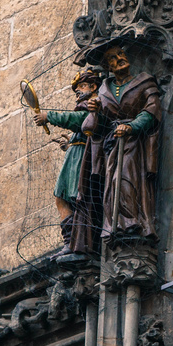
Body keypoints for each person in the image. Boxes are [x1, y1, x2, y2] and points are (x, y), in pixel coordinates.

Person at [83, 42, 162, 242]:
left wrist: (132, 126)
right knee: (112, 184)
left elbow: (152, 109)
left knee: (126, 177)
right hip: (112, 144)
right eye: (113, 58)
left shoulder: (145, 82)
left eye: (121, 54)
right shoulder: (103, 91)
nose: (119, 59)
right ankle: (116, 223)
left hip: (134, 142)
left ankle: (134, 221)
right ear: (107, 66)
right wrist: (94, 111)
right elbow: (95, 128)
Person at [32, 67, 103, 257]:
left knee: (75, 198)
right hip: (75, 155)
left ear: (93, 86)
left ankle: (77, 242)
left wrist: (49, 116)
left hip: (84, 158)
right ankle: (70, 241)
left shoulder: (96, 103)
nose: (77, 90)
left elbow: (81, 121)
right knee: (61, 198)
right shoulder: (85, 104)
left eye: (82, 85)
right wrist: (70, 143)